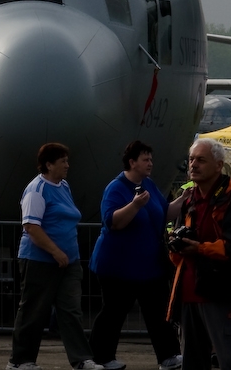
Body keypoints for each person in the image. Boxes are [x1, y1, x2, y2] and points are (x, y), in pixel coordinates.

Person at [167, 139, 231, 370]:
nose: (193, 165)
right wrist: (175, 245)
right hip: (189, 294)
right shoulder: (189, 197)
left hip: (222, 294)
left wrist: (199, 248)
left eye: (201, 160)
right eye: (191, 159)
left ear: (219, 165)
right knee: (192, 363)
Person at [89, 140, 181, 370]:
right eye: (145, 159)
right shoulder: (116, 188)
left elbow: (164, 213)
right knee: (114, 312)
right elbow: (112, 221)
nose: (150, 163)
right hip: (118, 267)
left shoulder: (148, 184)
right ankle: (102, 357)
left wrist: (185, 199)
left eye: (150, 159)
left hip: (148, 266)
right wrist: (134, 205)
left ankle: (169, 357)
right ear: (132, 162)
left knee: (158, 312)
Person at [8, 143, 99, 370]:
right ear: (49, 165)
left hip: (68, 261)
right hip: (40, 260)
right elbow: (31, 226)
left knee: (71, 311)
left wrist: (66, 254)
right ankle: (20, 360)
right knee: (33, 311)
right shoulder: (36, 190)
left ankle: (81, 359)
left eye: (67, 160)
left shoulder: (64, 185)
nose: (68, 165)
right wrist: (55, 251)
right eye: (63, 161)